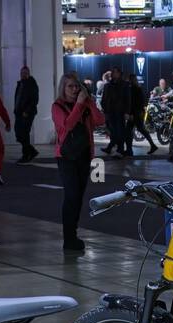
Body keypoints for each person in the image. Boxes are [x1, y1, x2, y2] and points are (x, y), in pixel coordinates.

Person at [52, 72, 103, 254]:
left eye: (76, 86)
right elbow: (66, 126)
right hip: (66, 157)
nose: (74, 90)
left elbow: (100, 120)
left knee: (79, 196)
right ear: (63, 89)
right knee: (71, 195)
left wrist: (88, 102)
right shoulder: (57, 106)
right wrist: (79, 105)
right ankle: (69, 237)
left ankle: (73, 235)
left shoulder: (85, 105)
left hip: (84, 155)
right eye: (70, 87)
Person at [99, 66, 129, 157]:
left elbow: (128, 99)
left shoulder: (124, 85)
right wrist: (104, 109)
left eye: (116, 72)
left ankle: (119, 149)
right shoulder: (108, 85)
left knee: (119, 131)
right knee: (113, 131)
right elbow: (104, 98)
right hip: (110, 111)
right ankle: (113, 148)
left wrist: (127, 112)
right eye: (113, 72)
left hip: (120, 112)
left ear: (120, 73)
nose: (114, 74)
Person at [13, 65, 39, 164]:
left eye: (25, 73)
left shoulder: (32, 84)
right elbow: (18, 98)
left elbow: (34, 100)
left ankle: (26, 155)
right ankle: (31, 151)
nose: (23, 75)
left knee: (24, 133)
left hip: (27, 113)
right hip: (19, 113)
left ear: (28, 73)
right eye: (22, 73)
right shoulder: (20, 84)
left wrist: (27, 111)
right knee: (19, 134)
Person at [124, 75, 156, 156]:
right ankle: (152, 145)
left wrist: (131, 114)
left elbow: (134, 103)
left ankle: (129, 150)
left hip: (135, 113)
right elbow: (141, 102)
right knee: (140, 129)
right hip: (138, 113)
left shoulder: (133, 89)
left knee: (129, 131)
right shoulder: (138, 88)